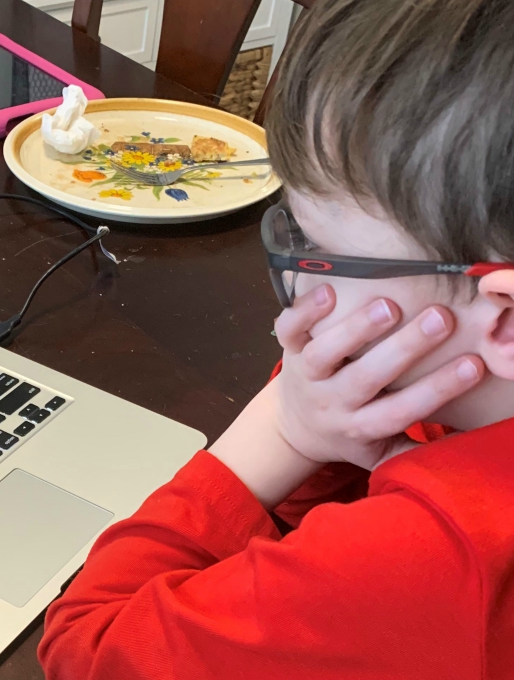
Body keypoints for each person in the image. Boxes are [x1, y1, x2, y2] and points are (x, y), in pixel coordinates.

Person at [38, 0, 514, 678]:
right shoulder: (472, 408)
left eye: (323, 254)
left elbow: (91, 648)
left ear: (503, 320)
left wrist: (287, 429)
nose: (297, 287)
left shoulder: (439, 559)